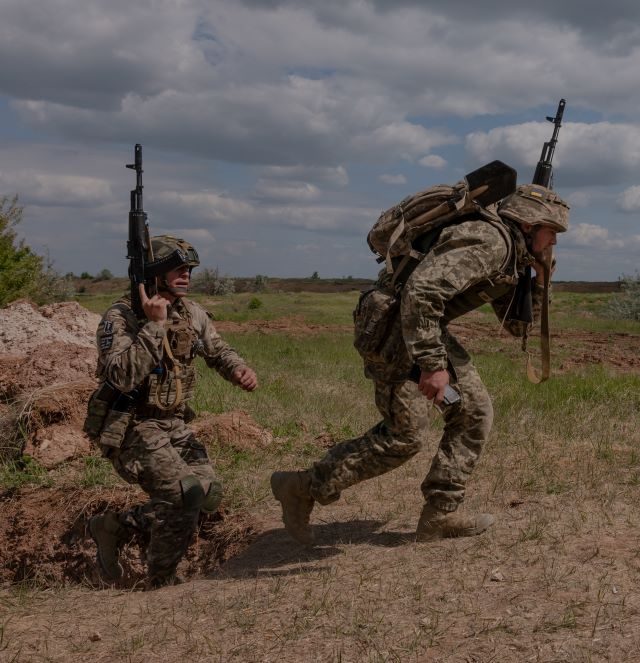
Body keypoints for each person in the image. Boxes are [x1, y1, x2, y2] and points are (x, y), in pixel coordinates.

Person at [270, 183, 569, 543]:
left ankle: (439, 516)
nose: (553, 242)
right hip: (395, 330)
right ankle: (300, 487)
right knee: (404, 437)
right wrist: (432, 364)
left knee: (473, 413)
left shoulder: (510, 253)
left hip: (418, 327)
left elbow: (517, 325)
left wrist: (541, 279)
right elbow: (422, 292)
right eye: (552, 232)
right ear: (528, 223)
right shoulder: (490, 241)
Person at [86, 235, 258, 588]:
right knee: (184, 494)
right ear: (156, 272)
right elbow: (121, 376)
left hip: (173, 423)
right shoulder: (121, 316)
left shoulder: (190, 313)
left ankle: (115, 526)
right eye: (178, 268)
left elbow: (217, 350)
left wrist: (238, 370)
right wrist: (153, 325)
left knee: (207, 494)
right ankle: (161, 582)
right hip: (131, 426)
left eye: (189, 269)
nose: (187, 275)